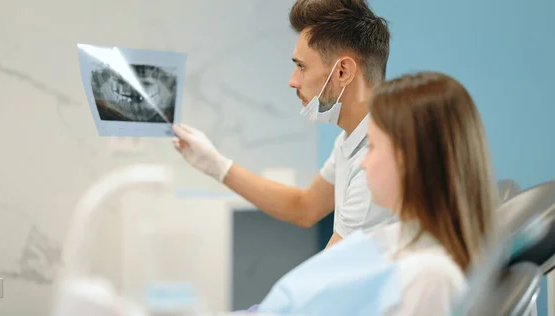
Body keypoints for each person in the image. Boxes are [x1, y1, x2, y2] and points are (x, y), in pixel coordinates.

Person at [249, 71, 499, 315]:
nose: (362, 163)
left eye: (373, 146)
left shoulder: (430, 278)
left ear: (410, 159)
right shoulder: (400, 241)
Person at [172, 0, 396, 248]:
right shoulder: (351, 140)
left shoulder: (376, 162)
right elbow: (305, 206)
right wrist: (217, 165)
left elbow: (330, 275)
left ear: (342, 71)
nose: (293, 81)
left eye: (301, 66)